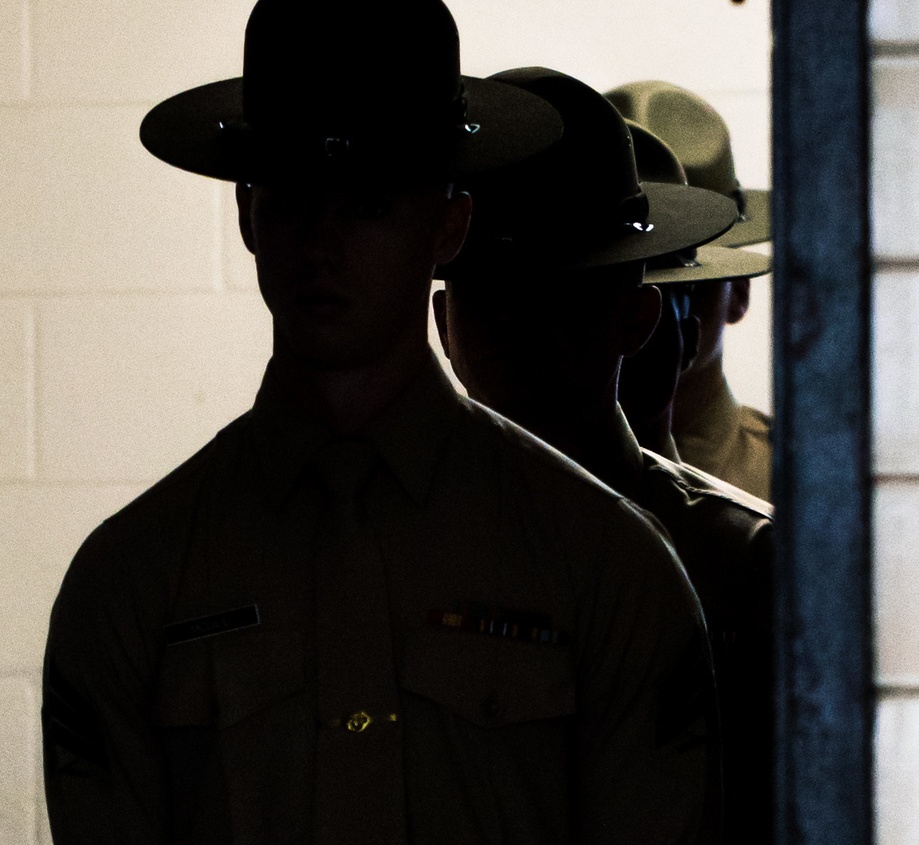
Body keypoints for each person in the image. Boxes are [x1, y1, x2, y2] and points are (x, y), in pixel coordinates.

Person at [41, 3, 721, 843]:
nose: (323, 241)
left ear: (449, 223)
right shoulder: (133, 583)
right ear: (248, 212)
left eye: (369, 203)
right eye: (294, 197)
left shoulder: (607, 569)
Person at [433, 71, 774, 844]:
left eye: (568, 296)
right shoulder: (381, 542)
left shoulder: (741, 560)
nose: (525, 326)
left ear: (639, 317)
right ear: (443, 320)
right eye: (496, 294)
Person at [606, 81, 773, 501]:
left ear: (738, 290)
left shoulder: (805, 484)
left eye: (688, 278)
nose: (653, 308)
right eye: (622, 278)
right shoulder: (517, 476)